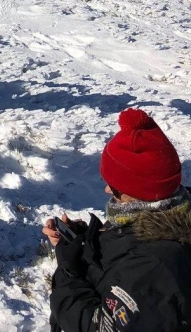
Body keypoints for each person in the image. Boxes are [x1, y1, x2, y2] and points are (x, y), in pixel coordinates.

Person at [44, 108, 191, 331]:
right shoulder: (156, 218)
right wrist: (87, 245)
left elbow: (99, 325)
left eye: (114, 187)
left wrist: (69, 271)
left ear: (138, 191)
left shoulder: (152, 269)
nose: (106, 189)